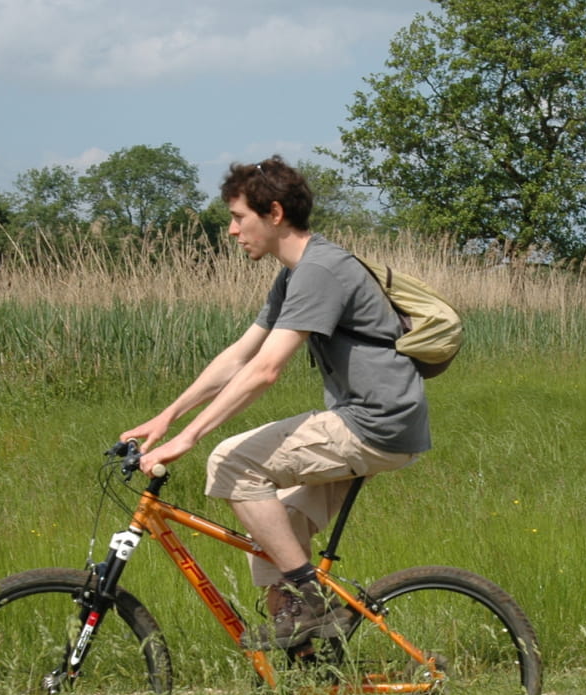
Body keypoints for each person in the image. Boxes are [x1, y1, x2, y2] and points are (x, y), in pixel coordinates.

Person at [121, 156, 430, 650]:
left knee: (231, 461)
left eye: (238, 217)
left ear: (275, 214)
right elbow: (240, 355)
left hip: (375, 423)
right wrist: (167, 416)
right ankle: (308, 688)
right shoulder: (295, 274)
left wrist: (190, 439)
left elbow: (266, 370)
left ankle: (309, 601)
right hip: (368, 421)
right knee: (271, 541)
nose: (231, 230)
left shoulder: (322, 270)